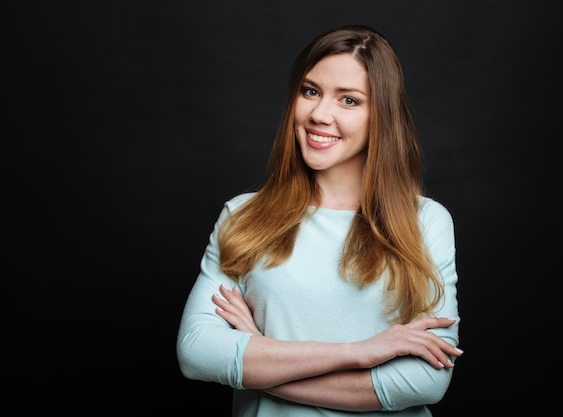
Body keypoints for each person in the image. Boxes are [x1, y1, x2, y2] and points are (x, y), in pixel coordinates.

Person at [176, 24, 462, 416]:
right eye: (310, 91)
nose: (319, 114)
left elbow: (423, 382)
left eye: (349, 100)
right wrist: (358, 354)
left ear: (381, 116)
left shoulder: (426, 222)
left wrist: (259, 353)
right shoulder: (244, 216)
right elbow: (197, 353)